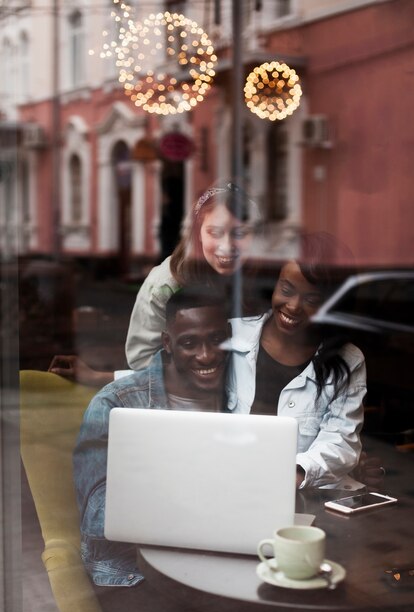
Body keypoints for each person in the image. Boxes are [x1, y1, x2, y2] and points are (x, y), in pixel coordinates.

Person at [73, 287, 231, 589]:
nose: (206, 355)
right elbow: (96, 516)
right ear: (168, 343)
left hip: (216, 560)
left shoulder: (240, 390)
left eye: (215, 340)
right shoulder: (113, 404)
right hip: (131, 573)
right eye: (189, 343)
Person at [50, 181, 259, 386]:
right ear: (198, 234)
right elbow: (143, 363)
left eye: (240, 233)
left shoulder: (265, 282)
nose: (227, 246)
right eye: (215, 232)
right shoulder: (166, 284)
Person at [225, 232, 368, 490]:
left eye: (312, 299)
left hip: (298, 495)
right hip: (228, 480)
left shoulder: (349, 360)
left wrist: (293, 476)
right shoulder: (231, 336)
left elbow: (341, 442)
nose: (293, 306)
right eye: (286, 289)